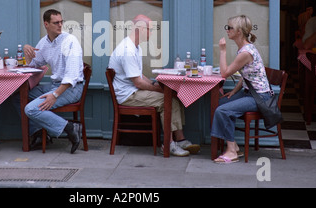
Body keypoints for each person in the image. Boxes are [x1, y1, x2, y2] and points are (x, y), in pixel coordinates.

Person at [108, 14, 200, 157]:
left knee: (173, 97)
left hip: (133, 91)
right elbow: (137, 82)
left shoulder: (135, 47)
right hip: (128, 95)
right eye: (150, 29)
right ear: (140, 29)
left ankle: (180, 139)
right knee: (167, 101)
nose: (151, 33)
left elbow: (138, 74)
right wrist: (158, 88)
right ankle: (169, 144)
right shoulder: (128, 50)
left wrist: (153, 83)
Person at [211, 15, 272, 164]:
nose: (227, 30)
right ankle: (233, 144)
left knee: (222, 110)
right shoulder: (244, 49)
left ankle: (231, 151)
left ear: (239, 31)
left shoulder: (245, 52)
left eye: (230, 27)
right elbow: (245, 75)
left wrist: (223, 51)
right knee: (219, 104)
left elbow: (224, 73)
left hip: (259, 97)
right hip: (248, 93)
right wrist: (235, 91)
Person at [22, 9, 84, 154]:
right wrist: (27, 51)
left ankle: (70, 128)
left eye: (61, 22)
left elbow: (72, 77)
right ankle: (38, 132)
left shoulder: (70, 41)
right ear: (46, 24)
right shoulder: (44, 42)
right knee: (18, 97)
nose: (60, 25)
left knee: (31, 109)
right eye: (56, 23)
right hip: (54, 85)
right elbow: (34, 64)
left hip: (71, 89)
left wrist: (54, 95)